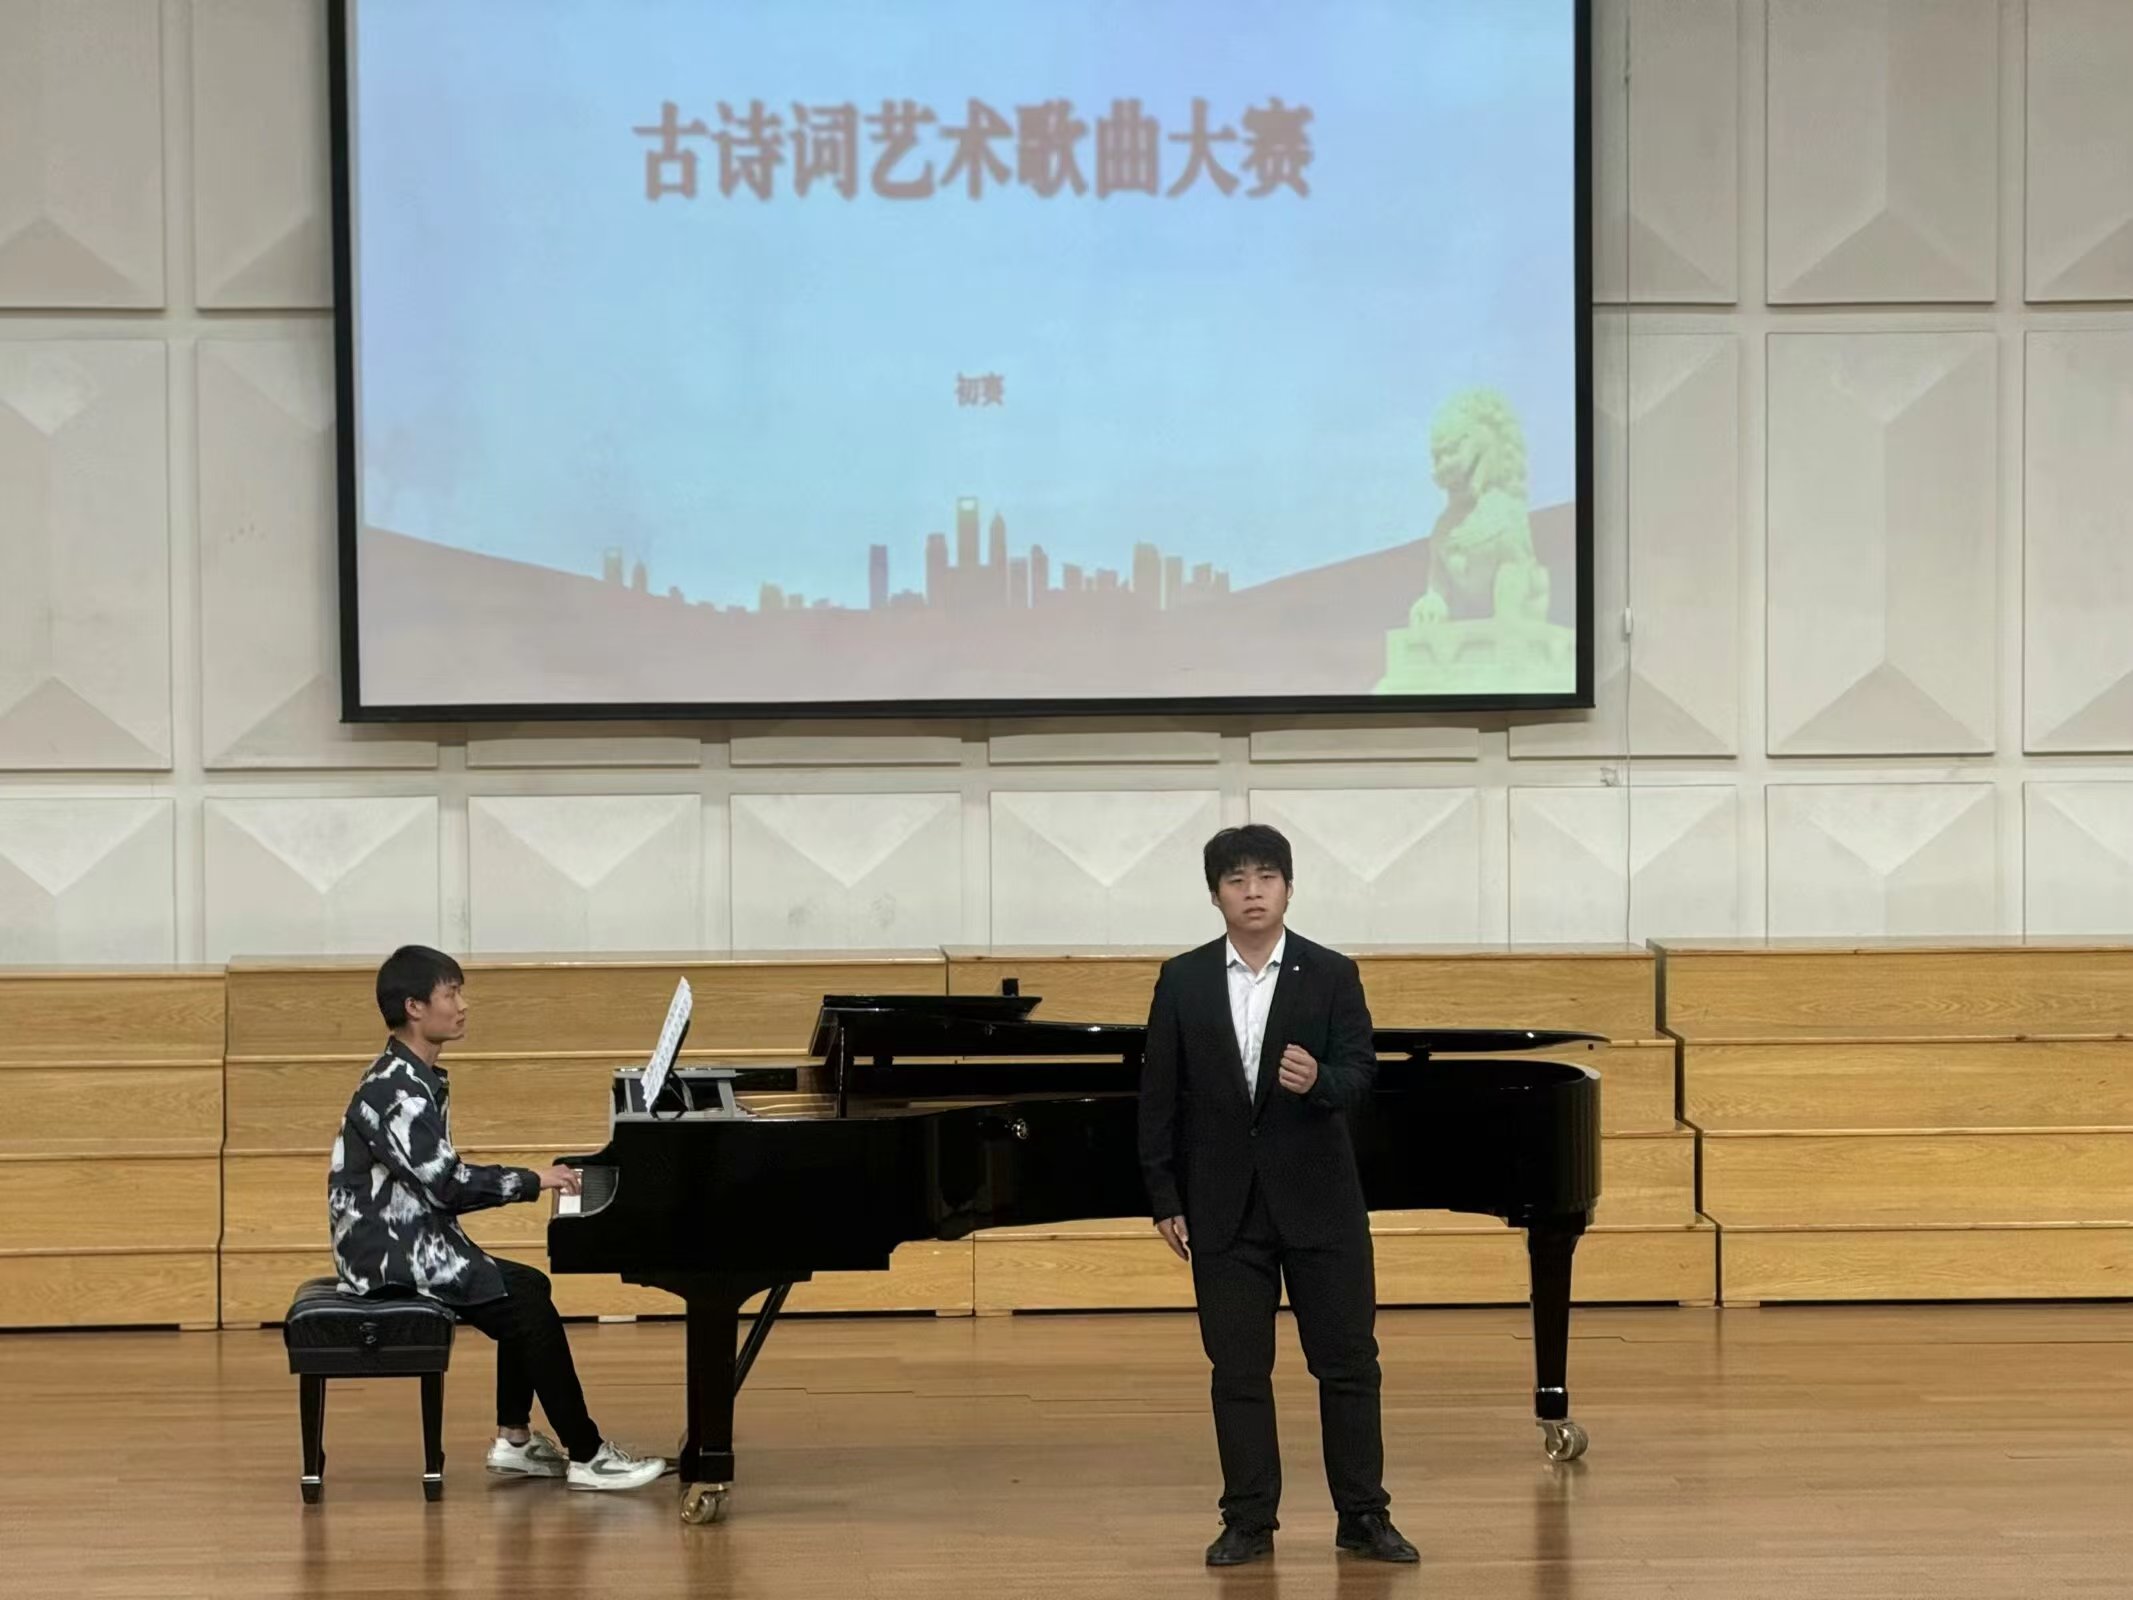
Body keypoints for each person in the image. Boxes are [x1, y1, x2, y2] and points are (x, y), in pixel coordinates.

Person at [1137, 825, 1418, 1566]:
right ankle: (1248, 1520)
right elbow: (1158, 1096)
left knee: (1347, 1364)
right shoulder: (1183, 979)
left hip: (1321, 1203)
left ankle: (1363, 1514)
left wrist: (1319, 1080)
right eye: (1236, 880)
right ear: (1215, 895)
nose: (1252, 891)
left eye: (1266, 877)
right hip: (1223, 1205)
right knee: (1237, 1371)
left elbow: (1361, 1074)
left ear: (1289, 888)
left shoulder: (1330, 973)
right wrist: (1164, 1194)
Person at [328, 944, 667, 1492]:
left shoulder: (410, 1075)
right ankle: (588, 1455)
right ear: (415, 1007)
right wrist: (535, 1179)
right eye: (451, 994)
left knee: (527, 1287)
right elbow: (446, 1185)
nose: (462, 1005)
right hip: (386, 1252)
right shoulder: (397, 1092)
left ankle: (515, 1439)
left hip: (404, 1235)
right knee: (527, 1307)